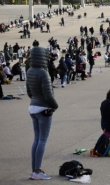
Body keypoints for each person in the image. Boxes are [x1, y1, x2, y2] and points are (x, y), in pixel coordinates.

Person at [27, 46, 59, 180]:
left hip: (33, 107)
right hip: (43, 109)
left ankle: (34, 170)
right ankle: (37, 170)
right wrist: (55, 105)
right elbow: (48, 95)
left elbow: (29, 92)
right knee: (42, 140)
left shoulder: (29, 71)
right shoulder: (43, 73)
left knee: (37, 140)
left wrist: (35, 99)